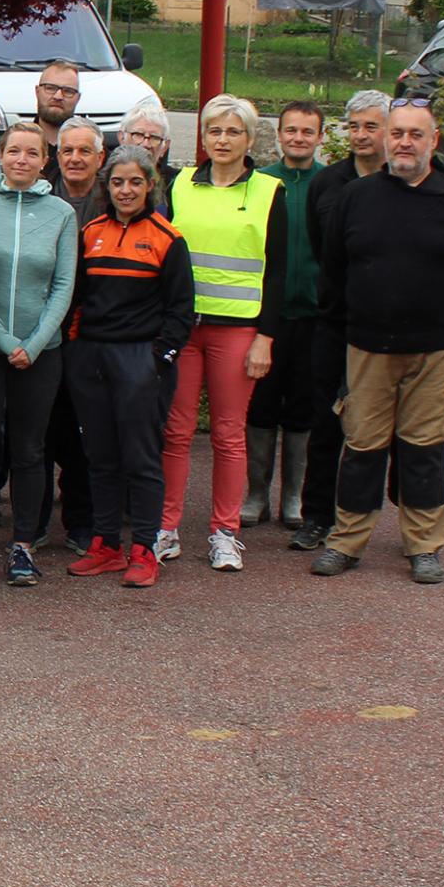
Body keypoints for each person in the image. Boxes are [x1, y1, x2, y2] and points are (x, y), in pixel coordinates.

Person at [312, 99, 444, 584]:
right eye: (397, 133)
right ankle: (347, 541)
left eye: (416, 134)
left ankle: (424, 546)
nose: (404, 142)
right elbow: (333, 268)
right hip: (369, 346)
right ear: (385, 138)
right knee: (362, 446)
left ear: (433, 141)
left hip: (436, 349)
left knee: (424, 448)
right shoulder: (358, 197)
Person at [157, 94, 287, 572]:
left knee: (230, 436)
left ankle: (224, 532)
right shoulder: (181, 185)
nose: (223, 139)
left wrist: (265, 337)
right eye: (215, 131)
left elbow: (278, 273)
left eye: (233, 132)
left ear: (250, 139)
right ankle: (165, 528)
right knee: (175, 431)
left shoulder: (270, 192)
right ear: (203, 137)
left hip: (238, 332)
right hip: (185, 329)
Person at [62, 145, 194, 589]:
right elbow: (76, 296)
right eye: (118, 182)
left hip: (140, 358)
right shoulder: (90, 232)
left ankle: (143, 549)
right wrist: (77, 347)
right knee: (99, 456)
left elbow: (181, 311)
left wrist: (159, 359)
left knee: (141, 459)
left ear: (150, 185)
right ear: (107, 186)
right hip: (91, 357)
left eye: (135, 182)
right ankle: (105, 546)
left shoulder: (167, 239)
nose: (126, 190)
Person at [0, 122, 77, 587]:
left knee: (30, 450)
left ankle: (23, 544)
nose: (22, 159)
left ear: (45, 161)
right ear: (0, 157)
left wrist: (35, 342)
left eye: (32, 153)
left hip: (41, 353)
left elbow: (64, 284)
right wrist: (6, 342)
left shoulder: (63, 213)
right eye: (14, 151)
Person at [292, 90, 391, 552]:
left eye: (371, 126)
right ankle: (316, 517)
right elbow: (321, 246)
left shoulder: (403, 182)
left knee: (379, 431)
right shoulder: (327, 183)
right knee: (326, 422)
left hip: (388, 328)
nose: (361, 135)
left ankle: (369, 518)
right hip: (333, 322)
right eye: (354, 126)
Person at [242, 100, 325, 531]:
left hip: (313, 316)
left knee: (303, 408)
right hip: (265, 316)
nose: (297, 138)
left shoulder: (330, 185)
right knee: (261, 406)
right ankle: (257, 493)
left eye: (306, 131)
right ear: (278, 136)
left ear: (320, 137)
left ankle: (292, 495)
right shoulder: (260, 183)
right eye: (290, 130)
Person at [36, 114, 104, 553]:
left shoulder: (113, 201)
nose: (75, 158)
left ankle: (81, 521)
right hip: (44, 331)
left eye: (84, 151)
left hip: (94, 334)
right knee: (39, 432)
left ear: (101, 158)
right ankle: (34, 521)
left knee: (84, 435)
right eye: (67, 150)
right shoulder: (43, 199)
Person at [119, 97, 179, 202]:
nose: (145, 144)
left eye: (154, 137)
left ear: (165, 147)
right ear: (121, 138)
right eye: (138, 134)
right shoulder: (104, 182)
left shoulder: (176, 184)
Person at [33, 60, 82, 149]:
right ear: (37, 92)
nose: (58, 96)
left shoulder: (92, 148)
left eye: (68, 91)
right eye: (50, 88)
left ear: (78, 98)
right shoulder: (17, 145)